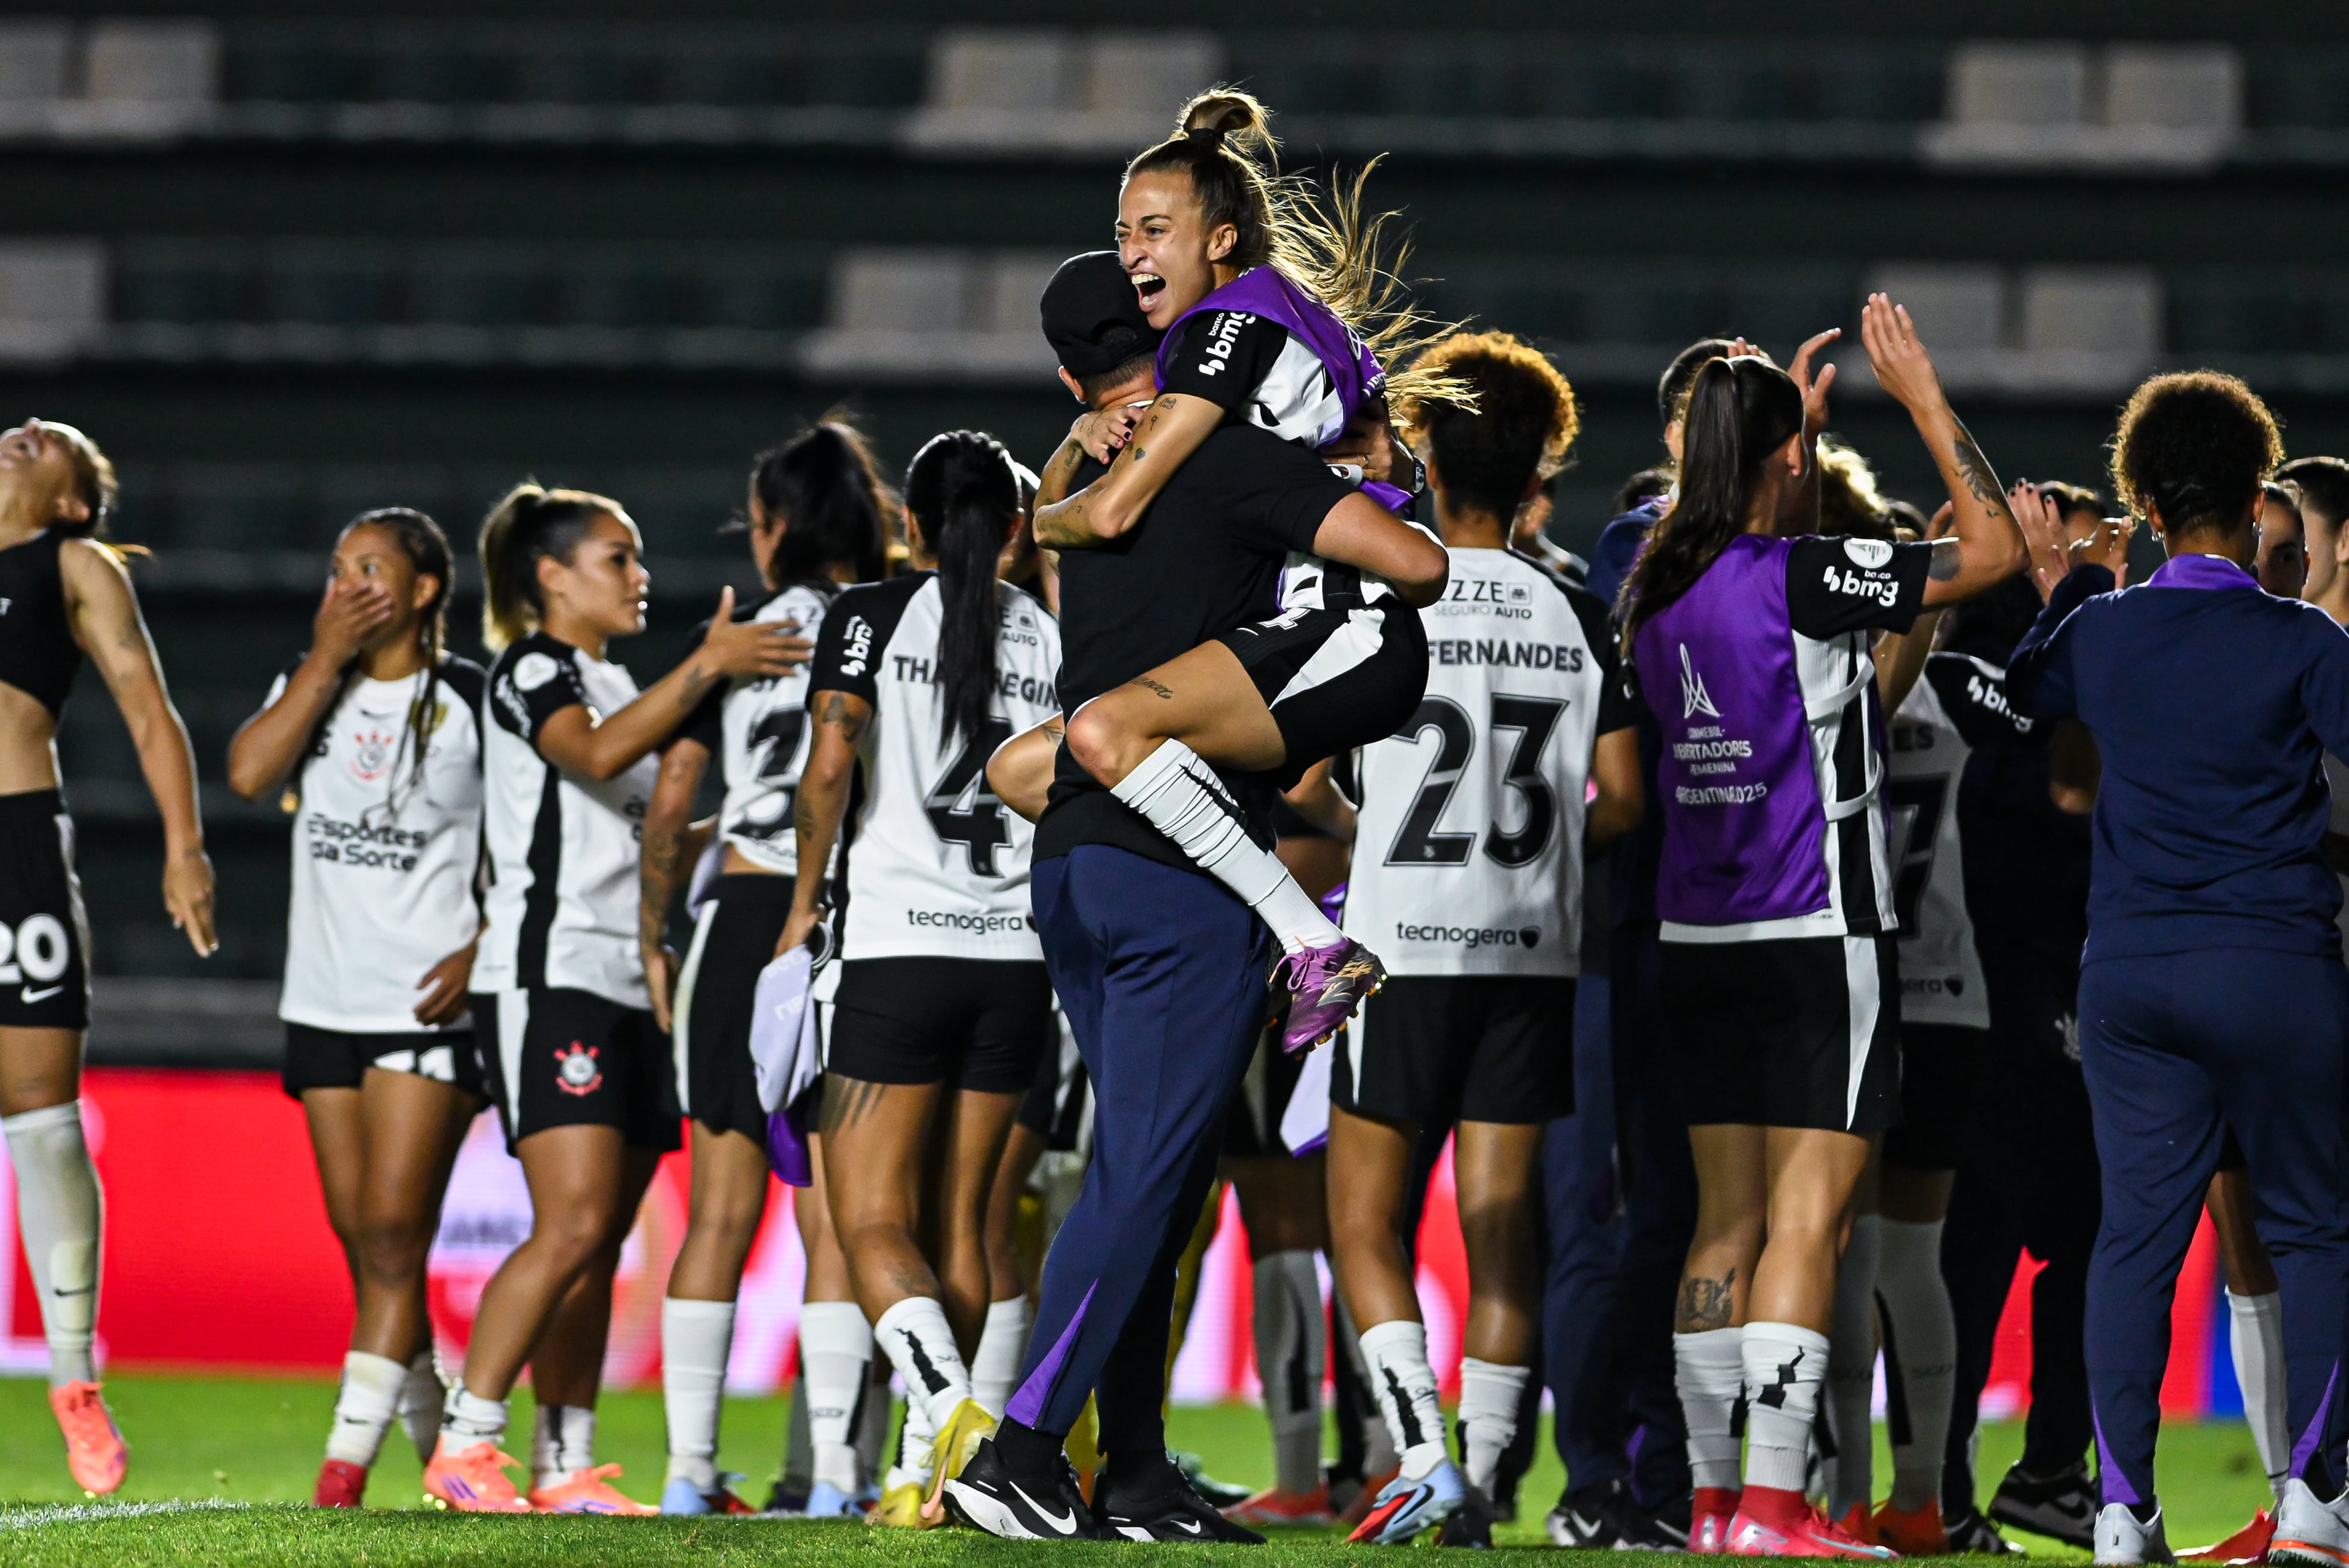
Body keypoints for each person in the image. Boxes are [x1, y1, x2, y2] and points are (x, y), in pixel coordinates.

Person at [946, 250, 1398, 1544]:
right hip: (1179, 872)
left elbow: (1081, 521)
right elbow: (1399, 564)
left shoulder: (1090, 471)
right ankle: (1021, 1449)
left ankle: (1133, 1466)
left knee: (1160, 1170)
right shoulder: (1225, 458)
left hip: (1079, 861)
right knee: (1145, 1175)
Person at [1620, 297, 2026, 1559]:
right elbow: (1995, 553)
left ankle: (1706, 1500)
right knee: (1809, 1224)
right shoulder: (1801, 576)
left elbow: (1840, 674)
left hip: (1698, 938)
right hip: (1816, 934)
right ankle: (1781, 1508)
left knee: (1721, 1227)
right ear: (1785, 459)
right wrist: (1921, 399)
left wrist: (1784, 433)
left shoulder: (1652, 586)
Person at [2002, 372, 2349, 1568]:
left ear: (2143, 503)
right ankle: (2313, 1499)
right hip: (2277, 966)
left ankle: (2120, 1511)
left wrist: (2076, 584)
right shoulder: (2303, 639)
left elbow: (2018, 695)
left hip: (2136, 975)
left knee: (2134, 1248)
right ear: (2259, 502)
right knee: (2312, 1233)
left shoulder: (2101, 630)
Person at [1028, 89, 1450, 1053]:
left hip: (1344, 628)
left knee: (1103, 728)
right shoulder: (1273, 319)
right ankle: (1289, 918)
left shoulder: (1225, 331)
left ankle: (1307, 936)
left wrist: (1045, 520)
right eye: (1122, 230)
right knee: (1033, 765)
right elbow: (1370, 457)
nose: (1132, 252)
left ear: (1219, 241)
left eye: (1154, 231)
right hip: (1323, 628)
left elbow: (1111, 509)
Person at [1313, 331, 1642, 1546]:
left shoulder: (1387, 587)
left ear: (1430, 457)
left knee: (1365, 1218)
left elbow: (1317, 770)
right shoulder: (1577, 609)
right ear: (1535, 465)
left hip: (1399, 945)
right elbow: (1628, 794)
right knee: (1505, 1224)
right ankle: (1491, 1478)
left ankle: (1424, 1459)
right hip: (1532, 950)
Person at [421, 483, 803, 1513]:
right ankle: (467, 1439)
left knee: (604, 1234)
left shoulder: (617, 680)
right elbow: (588, 755)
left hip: (631, 981)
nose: (640, 576)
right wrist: (711, 665)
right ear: (551, 575)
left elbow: (655, 822)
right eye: (616, 558)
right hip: (551, 976)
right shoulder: (534, 666)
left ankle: (562, 1462)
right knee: (575, 1218)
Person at [775, 431, 1062, 1529]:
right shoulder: (1053, 637)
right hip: (1014, 964)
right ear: (1019, 526)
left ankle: (949, 1412)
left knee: (870, 1222)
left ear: (910, 525)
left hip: (897, 950)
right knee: (969, 1224)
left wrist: (804, 903)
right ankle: (928, 1484)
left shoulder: (867, 617)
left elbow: (830, 765)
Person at [638, 423, 882, 1515]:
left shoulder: (734, 640)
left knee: (719, 1213)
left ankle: (691, 1474)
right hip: (838, 917)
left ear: (777, 528)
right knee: (831, 1212)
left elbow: (672, 799)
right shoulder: (885, 626)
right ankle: (834, 1477)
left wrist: (655, 931)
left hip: (737, 917)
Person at [224, 508, 487, 1508]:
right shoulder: (314, 686)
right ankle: (445, 1454)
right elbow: (249, 772)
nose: (347, 589)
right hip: (325, 1000)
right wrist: (324, 662)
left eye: (370, 570)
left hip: (422, 1004)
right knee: (371, 1244)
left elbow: (531, 836)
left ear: (424, 590)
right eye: (338, 571)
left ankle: (341, 1472)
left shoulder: (470, 697)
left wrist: (486, 942)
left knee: (388, 1233)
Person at [0, 417, 213, 1496]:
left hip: (16, 844)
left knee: (40, 1121)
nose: (27, 428)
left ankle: (76, 1383)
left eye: (56, 444)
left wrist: (185, 846)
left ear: (75, 501)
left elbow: (146, 703)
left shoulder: (69, 564)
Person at [1931, 485, 2107, 1557]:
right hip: (1990, 991)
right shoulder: (1963, 678)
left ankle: (1955, 1484)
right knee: (2082, 1230)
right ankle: (2040, 1466)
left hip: (2004, 993)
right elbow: (2072, 788)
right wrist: (2072, 597)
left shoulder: (1978, 676)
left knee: (1976, 1250)